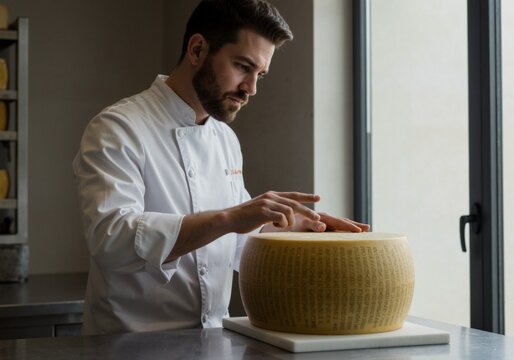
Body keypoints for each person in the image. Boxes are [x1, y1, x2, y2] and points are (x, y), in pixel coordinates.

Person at [72, 0, 369, 335]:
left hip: (214, 342)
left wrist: (297, 228)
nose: (251, 89)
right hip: (128, 345)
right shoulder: (118, 128)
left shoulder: (225, 139)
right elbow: (112, 240)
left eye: (260, 74)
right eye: (243, 67)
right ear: (197, 49)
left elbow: (237, 243)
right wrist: (229, 217)